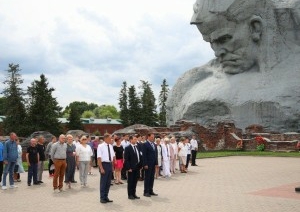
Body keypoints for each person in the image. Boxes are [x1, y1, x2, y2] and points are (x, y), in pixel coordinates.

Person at [166, 0, 300, 132]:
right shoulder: (191, 82)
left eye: (224, 39)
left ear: (255, 27)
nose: (218, 52)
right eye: (211, 42)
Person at [97, 133, 115, 203]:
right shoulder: (100, 146)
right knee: (103, 182)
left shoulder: (110, 146)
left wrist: (112, 166)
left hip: (109, 164)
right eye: (110, 138)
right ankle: (102, 197)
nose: (111, 139)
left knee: (108, 182)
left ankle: (106, 196)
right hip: (104, 164)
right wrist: (101, 168)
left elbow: (113, 157)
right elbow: (99, 158)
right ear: (106, 138)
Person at [124, 135, 143, 200]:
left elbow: (139, 156)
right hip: (131, 168)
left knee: (135, 181)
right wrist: (128, 168)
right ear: (131, 140)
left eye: (136, 139)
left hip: (137, 167)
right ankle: (130, 194)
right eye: (134, 139)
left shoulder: (137, 146)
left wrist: (140, 165)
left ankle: (134, 194)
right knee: (130, 182)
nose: (136, 140)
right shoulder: (127, 148)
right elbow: (126, 159)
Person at [142, 133, 158, 197]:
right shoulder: (145, 144)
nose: (153, 138)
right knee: (147, 178)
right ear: (148, 137)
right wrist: (145, 164)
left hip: (153, 164)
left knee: (152, 178)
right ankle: (146, 191)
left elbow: (155, 154)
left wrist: (156, 163)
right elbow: (144, 155)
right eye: (151, 137)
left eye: (153, 137)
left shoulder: (154, 144)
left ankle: (151, 190)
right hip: (148, 164)